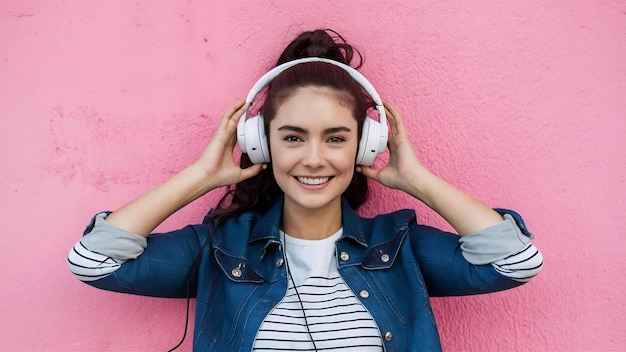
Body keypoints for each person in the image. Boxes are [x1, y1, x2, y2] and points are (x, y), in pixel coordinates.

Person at [68, 29, 543, 351]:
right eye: (292, 137)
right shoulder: (219, 248)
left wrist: (416, 179)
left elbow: (514, 261)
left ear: (365, 146)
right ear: (260, 142)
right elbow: (94, 260)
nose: (314, 158)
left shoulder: (399, 248)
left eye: (336, 138)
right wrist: (201, 176)